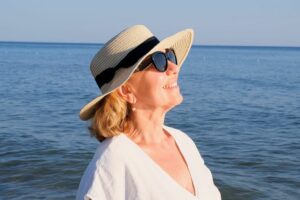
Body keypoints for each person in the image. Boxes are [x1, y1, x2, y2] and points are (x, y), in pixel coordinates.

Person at [76, 25, 221, 200]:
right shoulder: (112, 161)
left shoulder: (183, 142)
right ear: (126, 91)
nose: (174, 67)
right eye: (159, 60)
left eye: (170, 56)